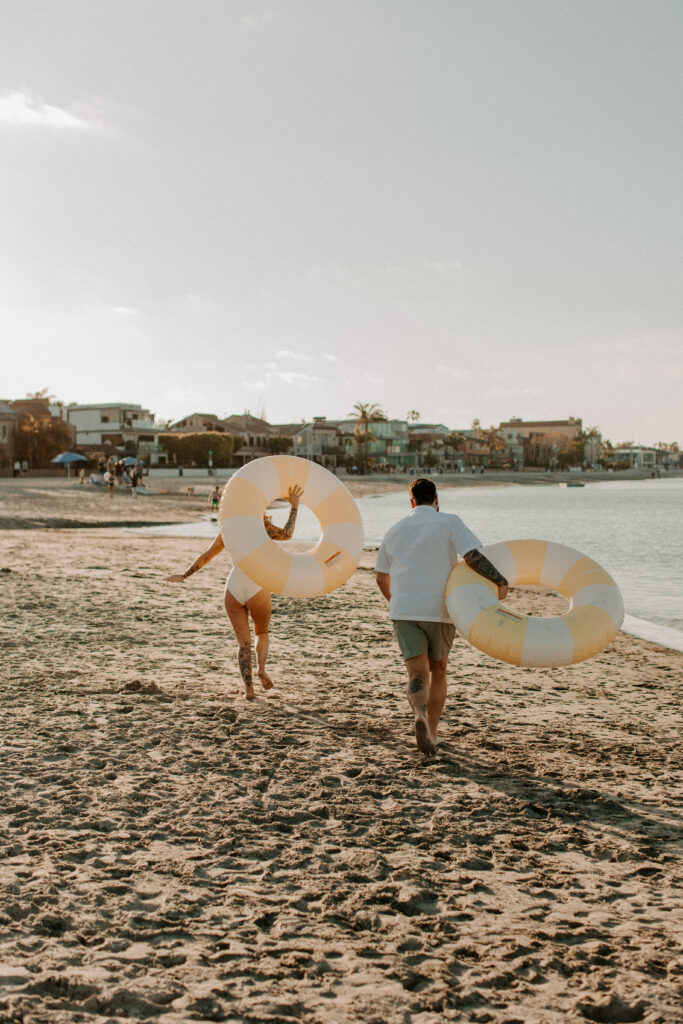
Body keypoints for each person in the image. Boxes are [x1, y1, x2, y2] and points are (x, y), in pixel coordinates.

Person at [375, 477, 508, 757]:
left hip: (405, 611)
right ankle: (432, 733)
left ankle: (418, 715)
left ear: (411, 502)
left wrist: (396, 602)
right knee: (438, 671)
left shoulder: (394, 529)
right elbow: (472, 556)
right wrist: (500, 581)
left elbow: (381, 576)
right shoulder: (450, 521)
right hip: (442, 610)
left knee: (416, 673)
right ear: (436, 500)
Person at [165, 484, 303, 699]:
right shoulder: (263, 527)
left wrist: (184, 575)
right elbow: (287, 534)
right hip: (258, 586)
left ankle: (249, 690)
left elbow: (206, 556)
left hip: (234, 588)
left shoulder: (228, 529)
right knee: (262, 632)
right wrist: (294, 507)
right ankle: (262, 670)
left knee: (243, 644)